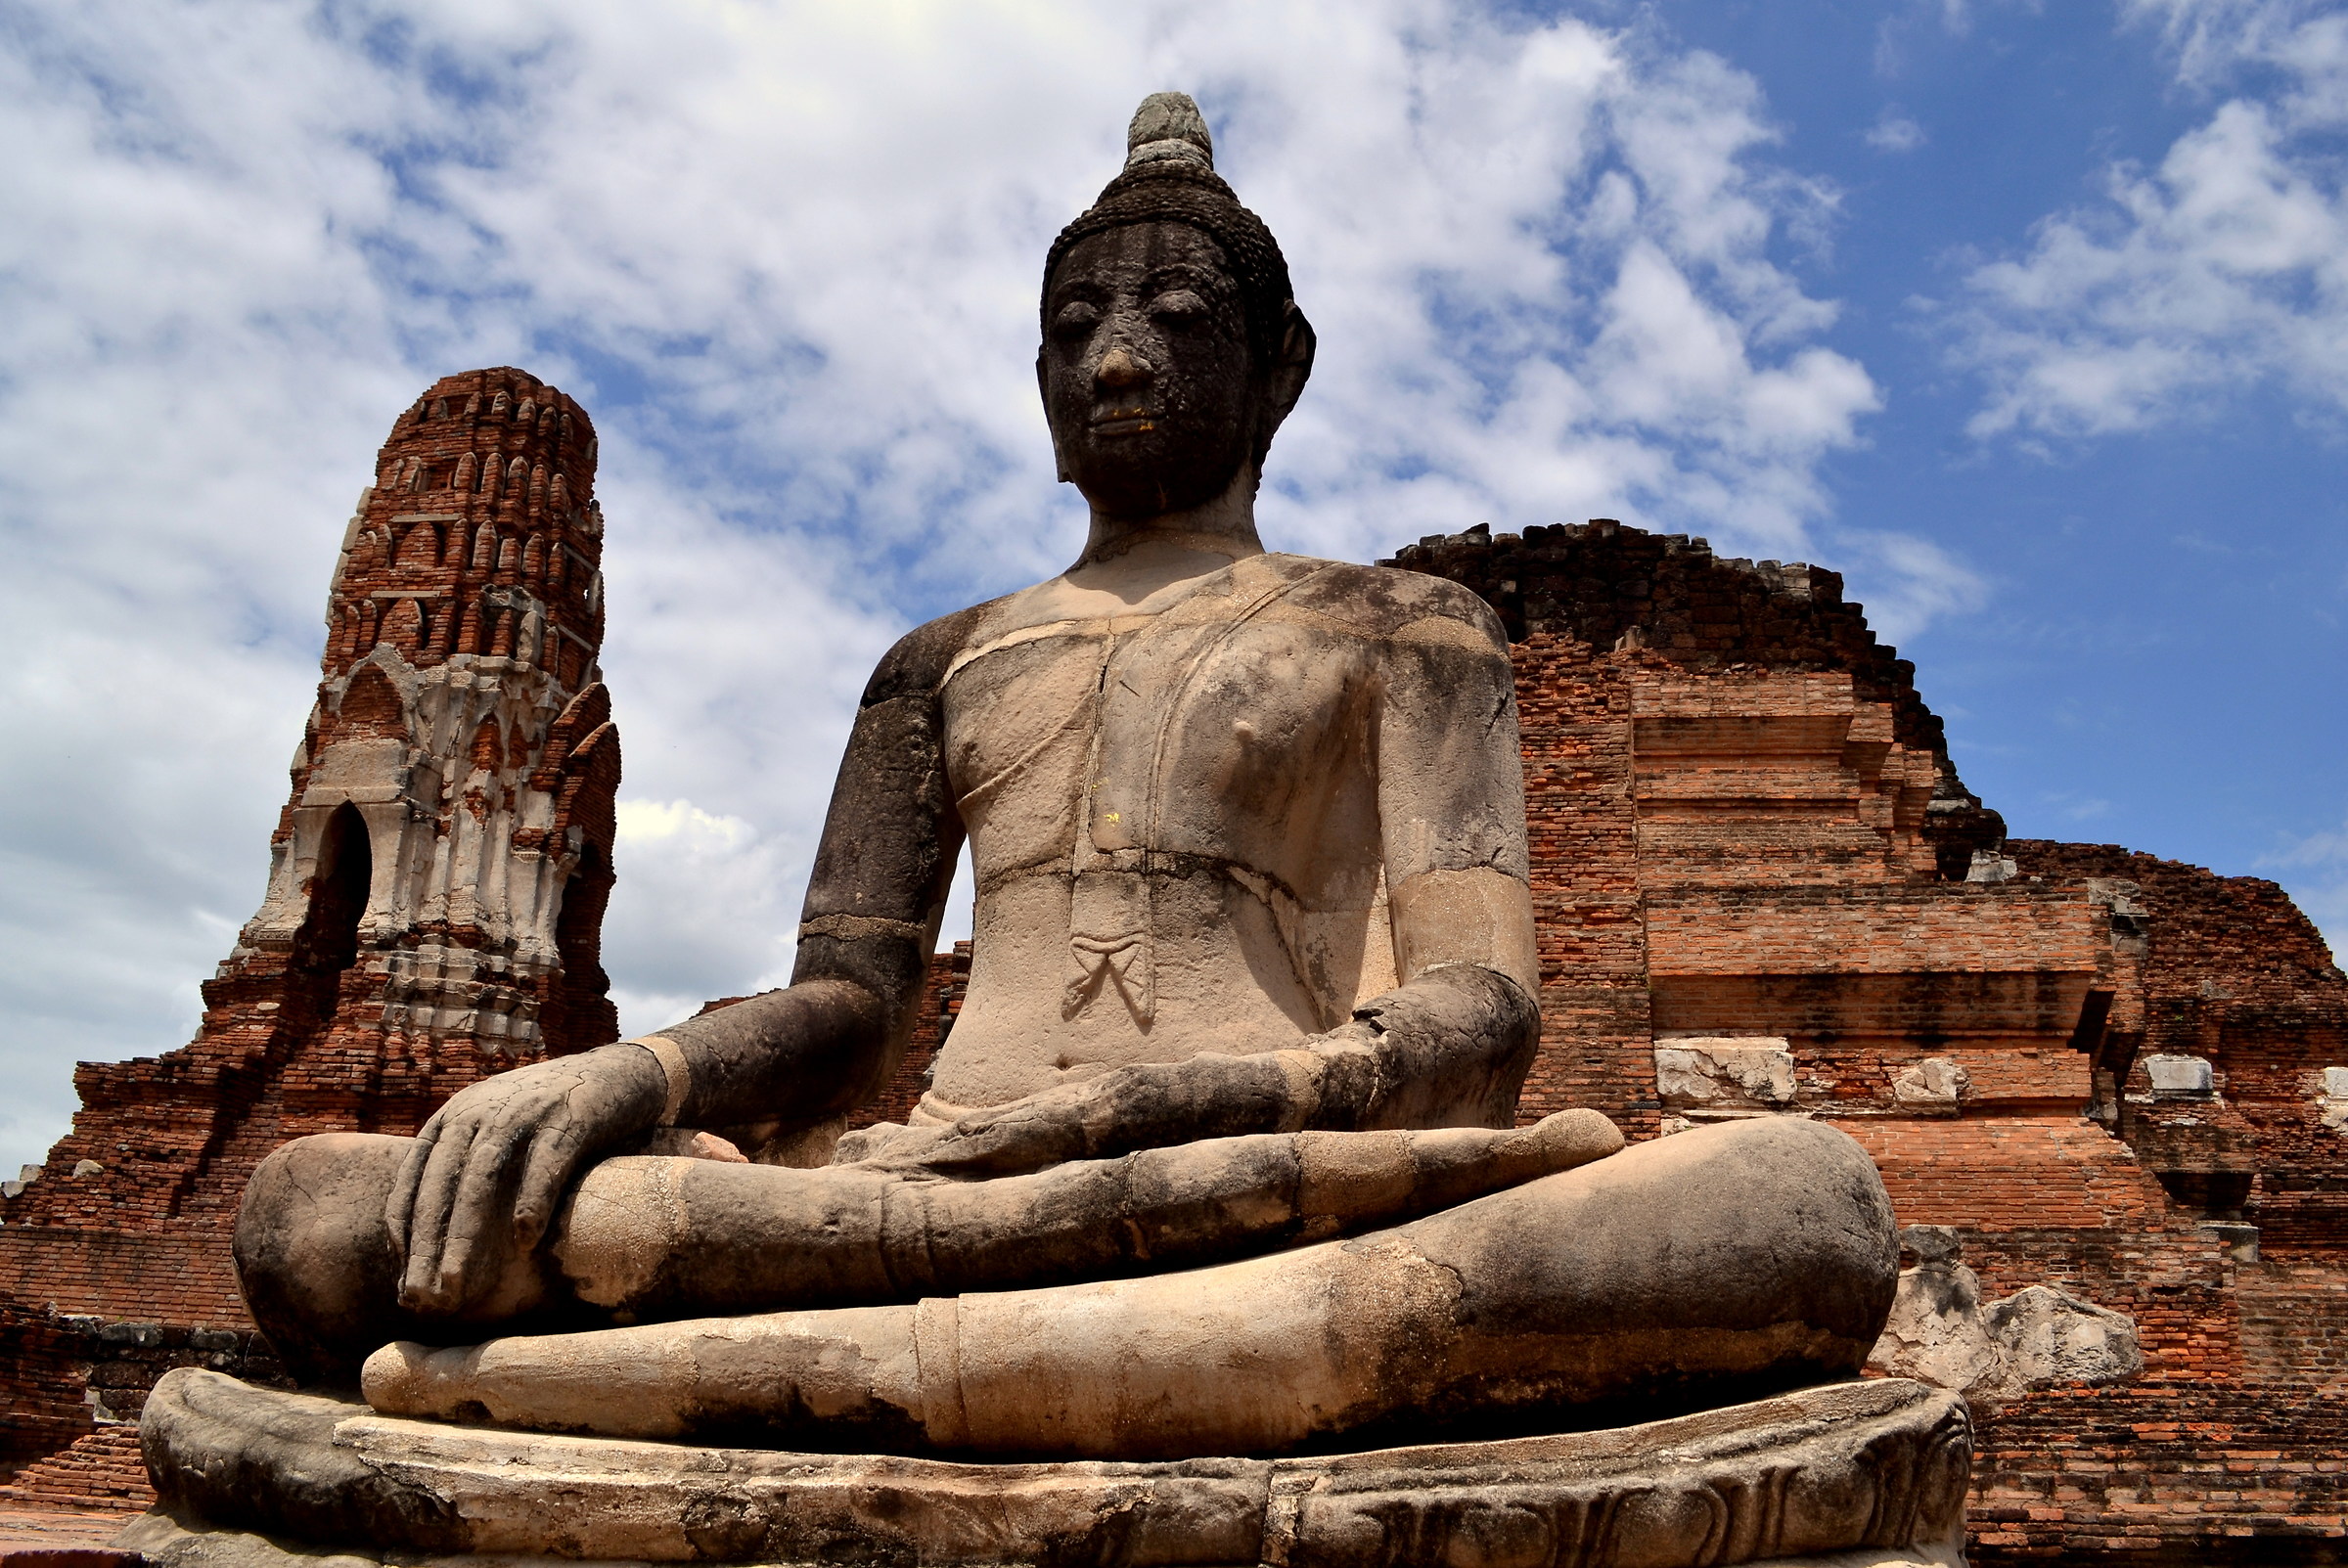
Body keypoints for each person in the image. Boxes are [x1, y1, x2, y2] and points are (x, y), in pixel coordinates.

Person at [237, 94, 1895, 1461]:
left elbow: (1481, 1012)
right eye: (1074, 326)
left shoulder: (1406, 630)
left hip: (1270, 1180)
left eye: (1174, 323)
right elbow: (850, 1011)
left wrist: (1208, 1107)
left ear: (1282, 366)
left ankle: (645, 1393)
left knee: (1791, 1209)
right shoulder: (939, 660)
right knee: (319, 1218)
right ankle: (1158, 1370)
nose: (1113, 361)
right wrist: (630, 1078)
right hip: (941, 1187)